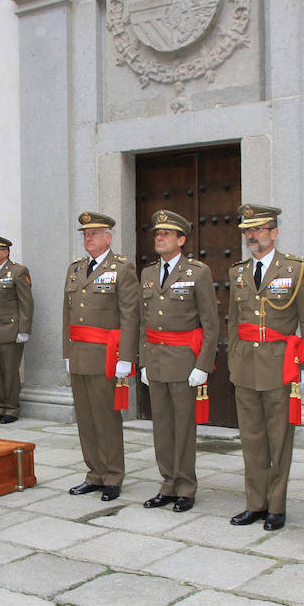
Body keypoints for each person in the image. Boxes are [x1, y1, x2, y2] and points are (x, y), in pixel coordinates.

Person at [227, 204, 304, 531]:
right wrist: (232, 360)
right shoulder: (237, 272)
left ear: (274, 232)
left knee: (279, 439)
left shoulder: (296, 269)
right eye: (247, 231)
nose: (252, 236)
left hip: (281, 365)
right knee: (251, 438)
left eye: (259, 230)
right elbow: (234, 321)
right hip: (246, 366)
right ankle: (255, 503)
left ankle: (276, 506)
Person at [138, 211, 218, 512]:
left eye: (167, 234)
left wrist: (203, 365)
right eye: (157, 233)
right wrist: (143, 361)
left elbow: (210, 324)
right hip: (156, 360)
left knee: (183, 426)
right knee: (161, 425)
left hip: (185, 362)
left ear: (181, 240)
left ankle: (186, 485)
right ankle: (167, 482)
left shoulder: (198, 272)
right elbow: (142, 322)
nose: (160, 237)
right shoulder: (147, 274)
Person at [63, 212, 139, 501]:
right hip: (80, 353)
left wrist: (126, 356)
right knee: (85, 418)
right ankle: (94, 473)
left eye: (94, 233)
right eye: (85, 233)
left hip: (106, 355)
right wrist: (66, 351)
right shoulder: (75, 269)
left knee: (106, 418)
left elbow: (130, 315)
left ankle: (112, 475)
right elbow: (66, 314)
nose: (88, 237)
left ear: (109, 237)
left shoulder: (121, 268)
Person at [0, 235, 34, 423]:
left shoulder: (18, 271)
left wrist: (24, 330)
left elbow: (26, 302)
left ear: (6, 252)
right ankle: (0, 406)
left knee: (10, 372)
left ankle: (12, 409)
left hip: (9, 331)